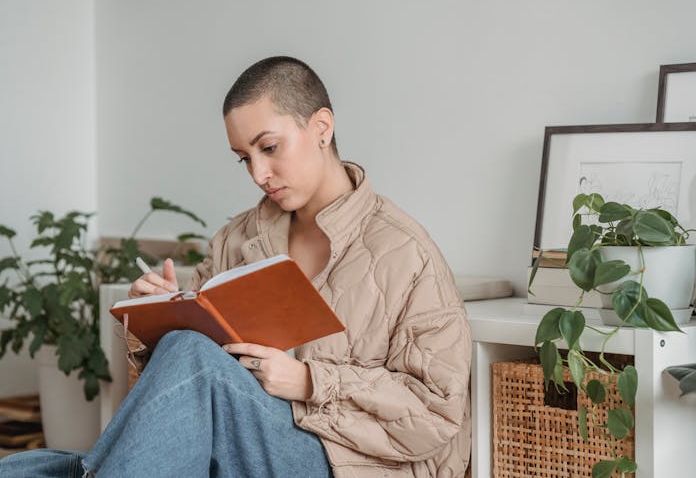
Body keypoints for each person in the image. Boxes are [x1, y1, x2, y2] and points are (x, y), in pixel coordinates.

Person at [0, 56, 471, 477]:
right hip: (239, 439)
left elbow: (437, 414)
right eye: (244, 158)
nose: (258, 175)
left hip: (346, 462)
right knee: (21, 467)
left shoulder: (406, 252)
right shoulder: (239, 238)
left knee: (183, 362)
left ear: (321, 127)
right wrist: (162, 315)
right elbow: (184, 385)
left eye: (269, 148)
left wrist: (309, 380)